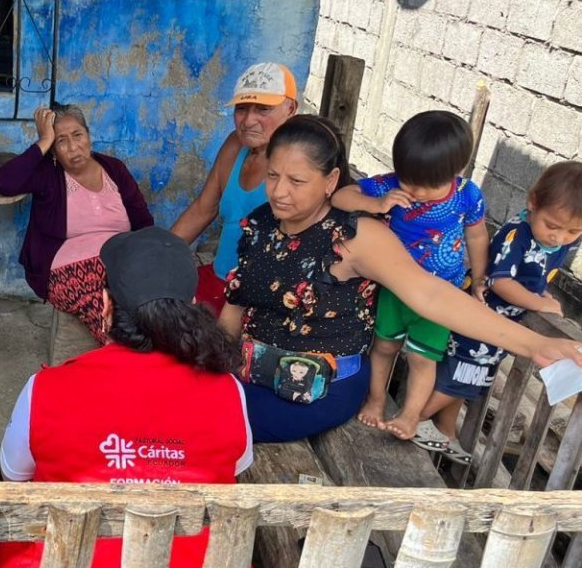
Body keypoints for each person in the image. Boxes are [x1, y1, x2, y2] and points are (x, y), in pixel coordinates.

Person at [218, 115, 582, 443]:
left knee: (205, 424)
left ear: (331, 181)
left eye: (297, 180)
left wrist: (535, 344)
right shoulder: (263, 222)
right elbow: (235, 306)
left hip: (316, 390)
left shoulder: (355, 236)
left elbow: (431, 294)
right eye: (272, 175)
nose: (279, 191)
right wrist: (212, 366)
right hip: (249, 372)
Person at [0, 227, 252, 566]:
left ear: (105, 305)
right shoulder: (228, 392)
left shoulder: (45, 388)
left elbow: (13, 476)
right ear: (191, 307)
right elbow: (235, 469)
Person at [331, 110, 488, 443]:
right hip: (393, 289)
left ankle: (410, 415)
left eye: (426, 186)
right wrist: (377, 203)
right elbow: (339, 197)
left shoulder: (467, 196)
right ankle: (375, 401)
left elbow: (476, 237)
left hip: (441, 297)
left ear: (455, 172)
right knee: (384, 347)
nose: (414, 191)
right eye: (408, 181)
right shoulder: (390, 185)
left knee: (421, 358)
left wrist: (481, 278)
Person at [421, 161, 582, 463]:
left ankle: (445, 430)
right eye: (553, 226)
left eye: (573, 231)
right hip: (480, 321)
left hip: (502, 331)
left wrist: (538, 290)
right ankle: (414, 419)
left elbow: (535, 273)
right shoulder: (516, 235)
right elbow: (502, 281)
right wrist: (539, 303)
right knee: (459, 377)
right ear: (533, 202)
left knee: (468, 380)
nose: (559, 237)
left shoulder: (555, 240)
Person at [0, 104, 153, 343]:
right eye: (61, 141)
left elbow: (143, 223)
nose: (73, 147)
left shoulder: (114, 169)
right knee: (104, 306)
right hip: (68, 271)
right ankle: (124, 353)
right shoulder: (48, 174)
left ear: (88, 135)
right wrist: (44, 139)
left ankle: (143, 355)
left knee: (151, 298)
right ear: (53, 151)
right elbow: (5, 183)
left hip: (120, 263)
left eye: (78, 135)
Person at [170, 62, 299, 316]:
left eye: (263, 109)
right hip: (220, 279)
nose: (249, 120)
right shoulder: (235, 144)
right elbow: (202, 210)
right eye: (241, 109)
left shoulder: (299, 164)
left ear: (290, 108)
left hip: (263, 299)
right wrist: (156, 252)